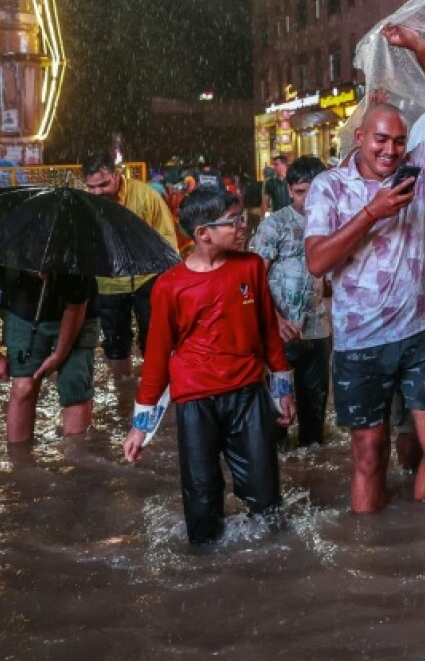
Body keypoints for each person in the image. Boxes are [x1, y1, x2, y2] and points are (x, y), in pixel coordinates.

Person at [304, 22, 425, 514]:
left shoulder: (417, 172)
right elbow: (316, 262)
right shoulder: (328, 187)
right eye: (380, 140)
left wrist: (420, 46)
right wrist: (371, 213)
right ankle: (369, 555)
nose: (390, 150)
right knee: (369, 458)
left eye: (397, 141)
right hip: (361, 341)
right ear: (359, 136)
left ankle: (424, 548)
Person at [123, 187, 296, 546]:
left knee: (265, 496)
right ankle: (206, 567)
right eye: (234, 222)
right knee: (201, 498)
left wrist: (283, 390)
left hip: (248, 394)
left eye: (242, 219)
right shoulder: (169, 287)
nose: (242, 226)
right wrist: (140, 428)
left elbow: (268, 332)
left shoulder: (250, 267)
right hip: (195, 402)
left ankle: (273, 564)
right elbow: (157, 357)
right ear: (202, 233)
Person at [0, 263, 100, 443]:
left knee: (75, 386)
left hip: (79, 314)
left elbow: (76, 307)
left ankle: (78, 462)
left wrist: (59, 356)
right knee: (23, 387)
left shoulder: (73, 250)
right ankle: (19, 464)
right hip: (21, 311)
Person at [251, 156, 332, 447]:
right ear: (289, 190)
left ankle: (311, 476)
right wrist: (275, 319)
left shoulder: (334, 223)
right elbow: (253, 280)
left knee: (314, 426)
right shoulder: (276, 226)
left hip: (318, 331)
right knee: (276, 423)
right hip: (279, 334)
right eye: (300, 192)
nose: (308, 199)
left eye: (315, 190)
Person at [83, 153, 179, 376]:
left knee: (154, 339)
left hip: (148, 279)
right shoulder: (86, 205)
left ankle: (154, 392)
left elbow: (167, 241)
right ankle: (123, 392)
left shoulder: (146, 196)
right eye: (92, 187)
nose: (98, 192)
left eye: (104, 184)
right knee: (115, 344)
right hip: (109, 284)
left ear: (117, 175)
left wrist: (170, 284)